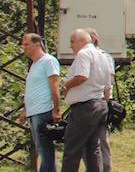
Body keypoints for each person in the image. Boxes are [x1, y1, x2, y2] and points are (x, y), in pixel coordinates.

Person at [62, 29, 113, 172]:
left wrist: (65, 85)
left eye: (72, 41)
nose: (71, 45)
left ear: (82, 41)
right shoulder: (102, 55)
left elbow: (82, 76)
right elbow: (108, 83)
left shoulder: (83, 53)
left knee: (72, 149)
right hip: (99, 104)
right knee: (92, 149)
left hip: (85, 107)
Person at [17, 33, 61, 172]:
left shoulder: (48, 61)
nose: (24, 48)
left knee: (45, 151)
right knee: (41, 149)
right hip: (34, 112)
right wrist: (26, 111)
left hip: (43, 111)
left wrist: (56, 110)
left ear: (37, 44)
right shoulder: (35, 64)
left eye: (26, 44)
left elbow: (54, 87)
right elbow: (33, 90)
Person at [83, 28, 114, 172]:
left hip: (99, 102)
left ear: (93, 39)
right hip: (92, 104)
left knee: (101, 142)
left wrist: (107, 103)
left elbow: (109, 84)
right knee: (89, 142)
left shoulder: (104, 56)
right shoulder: (84, 56)